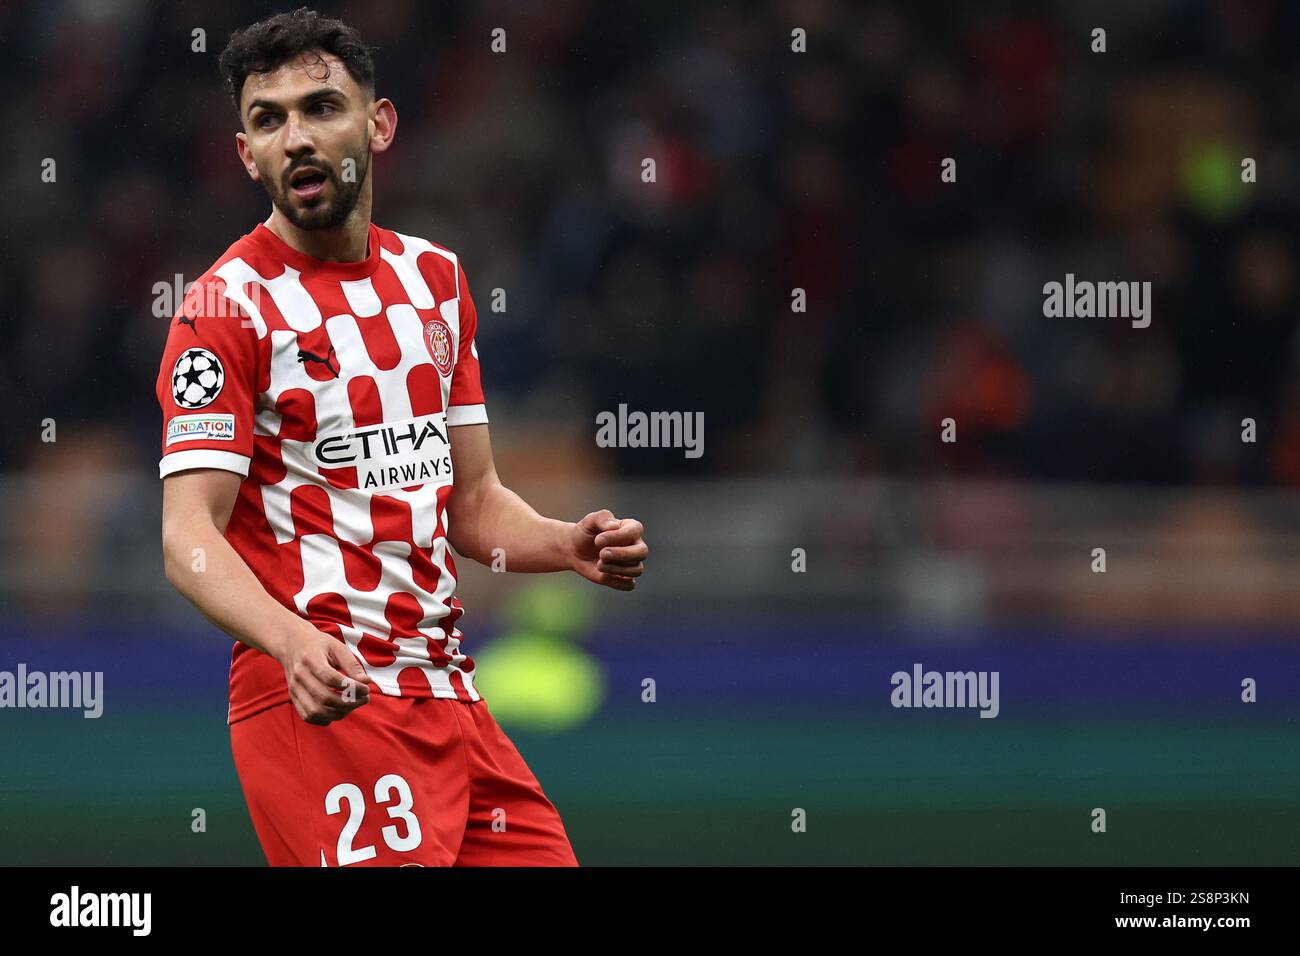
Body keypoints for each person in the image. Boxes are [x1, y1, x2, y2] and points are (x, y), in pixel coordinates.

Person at [155, 7, 648, 866]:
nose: (295, 138)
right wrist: (292, 639)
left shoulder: (436, 281)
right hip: (325, 699)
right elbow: (185, 532)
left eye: (321, 107)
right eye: (267, 121)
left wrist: (563, 543)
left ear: (378, 124)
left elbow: (474, 503)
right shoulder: (222, 307)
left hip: (451, 692)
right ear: (246, 155)